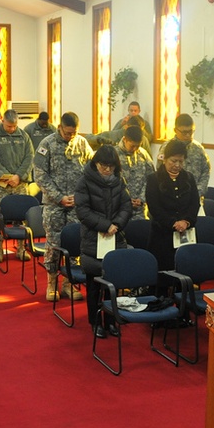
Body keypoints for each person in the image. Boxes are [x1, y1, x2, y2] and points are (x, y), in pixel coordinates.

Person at [74, 145, 133, 339]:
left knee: (113, 283)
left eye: (111, 166)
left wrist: (116, 224)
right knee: (94, 285)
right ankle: (95, 321)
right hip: (94, 239)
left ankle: (110, 320)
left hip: (115, 237)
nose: (107, 170)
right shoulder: (84, 182)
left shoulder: (119, 181)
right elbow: (82, 211)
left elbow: (126, 205)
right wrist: (105, 225)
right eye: (103, 165)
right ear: (95, 163)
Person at [34, 111, 93, 301]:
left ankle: (69, 284)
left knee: (76, 243)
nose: (70, 136)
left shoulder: (82, 143)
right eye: (67, 133)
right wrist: (59, 197)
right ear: (59, 127)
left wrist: (80, 195)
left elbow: (91, 170)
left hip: (76, 204)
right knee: (54, 244)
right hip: (54, 205)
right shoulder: (47, 144)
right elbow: (40, 176)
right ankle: (52, 284)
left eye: (74, 133)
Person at [0, 109, 34, 262]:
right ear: (2, 121)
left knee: (22, 216)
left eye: (14, 126)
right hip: (0, 184)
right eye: (8, 126)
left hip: (19, 183)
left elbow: (29, 157)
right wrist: (6, 177)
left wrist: (18, 176)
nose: (12, 129)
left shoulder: (24, 136)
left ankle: (20, 248)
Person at [146, 139, 201, 271]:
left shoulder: (189, 178)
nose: (177, 165)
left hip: (185, 233)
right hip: (162, 234)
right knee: (163, 273)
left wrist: (186, 221)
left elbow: (194, 203)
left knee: (184, 271)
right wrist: (173, 223)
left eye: (180, 161)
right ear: (164, 159)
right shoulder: (154, 179)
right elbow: (154, 207)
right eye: (173, 161)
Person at [156, 114, 210, 198]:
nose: (188, 135)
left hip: (195, 196)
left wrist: (197, 191)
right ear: (175, 130)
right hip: (171, 196)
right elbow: (160, 169)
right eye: (184, 132)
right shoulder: (166, 147)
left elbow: (206, 171)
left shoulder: (199, 149)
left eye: (191, 131)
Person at [116, 124, 152, 220]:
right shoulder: (113, 155)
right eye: (132, 146)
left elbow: (150, 179)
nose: (135, 149)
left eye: (138, 146)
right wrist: (124, 200)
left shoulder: (143, 155)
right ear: (125, 140)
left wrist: (142, 199)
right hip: (118, 211)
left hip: (139, 210)